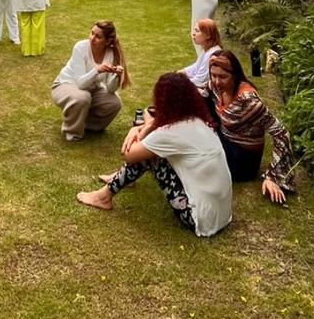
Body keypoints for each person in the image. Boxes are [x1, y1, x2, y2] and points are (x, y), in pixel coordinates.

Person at [76, 72, 232, 237]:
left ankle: (103, 196)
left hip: (199, 219)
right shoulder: (198, 122)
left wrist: (136, 130)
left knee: (150, 156)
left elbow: (129, 155)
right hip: (221, 214)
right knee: (152, 149)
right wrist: (146, 128)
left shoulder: (170, 133)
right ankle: (119, 179)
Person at [205, 50, 295, 204]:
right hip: (224, 139)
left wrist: (272, 176)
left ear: (235, 75)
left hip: (242, 160)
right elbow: (203, 92)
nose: (217, 81)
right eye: (213, 75)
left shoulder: (248, 101)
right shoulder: (216, 88)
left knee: (194, 153)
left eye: (223, 77)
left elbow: (281, 133)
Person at [51, 21, 130, 141]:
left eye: (98, 36)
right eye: (92, 33)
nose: (92, 38)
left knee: (114, 103)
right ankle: (72, 133)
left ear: (107, 41)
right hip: (65, 85)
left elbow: (110, 89)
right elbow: (81, 84)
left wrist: (116, 76)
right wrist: (97, 70)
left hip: (91, 88)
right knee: (82, 97)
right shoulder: (80, 47)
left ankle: (88, 126)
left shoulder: (111, 53)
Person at [182, 18, 223, 89]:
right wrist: (178, 73)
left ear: (208, 35)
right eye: (194, 30)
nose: (193, 34)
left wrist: (178, 82)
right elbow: (195, 68)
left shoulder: (212, 54)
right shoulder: (206, 50)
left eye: (197, 31)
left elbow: (200, 81)